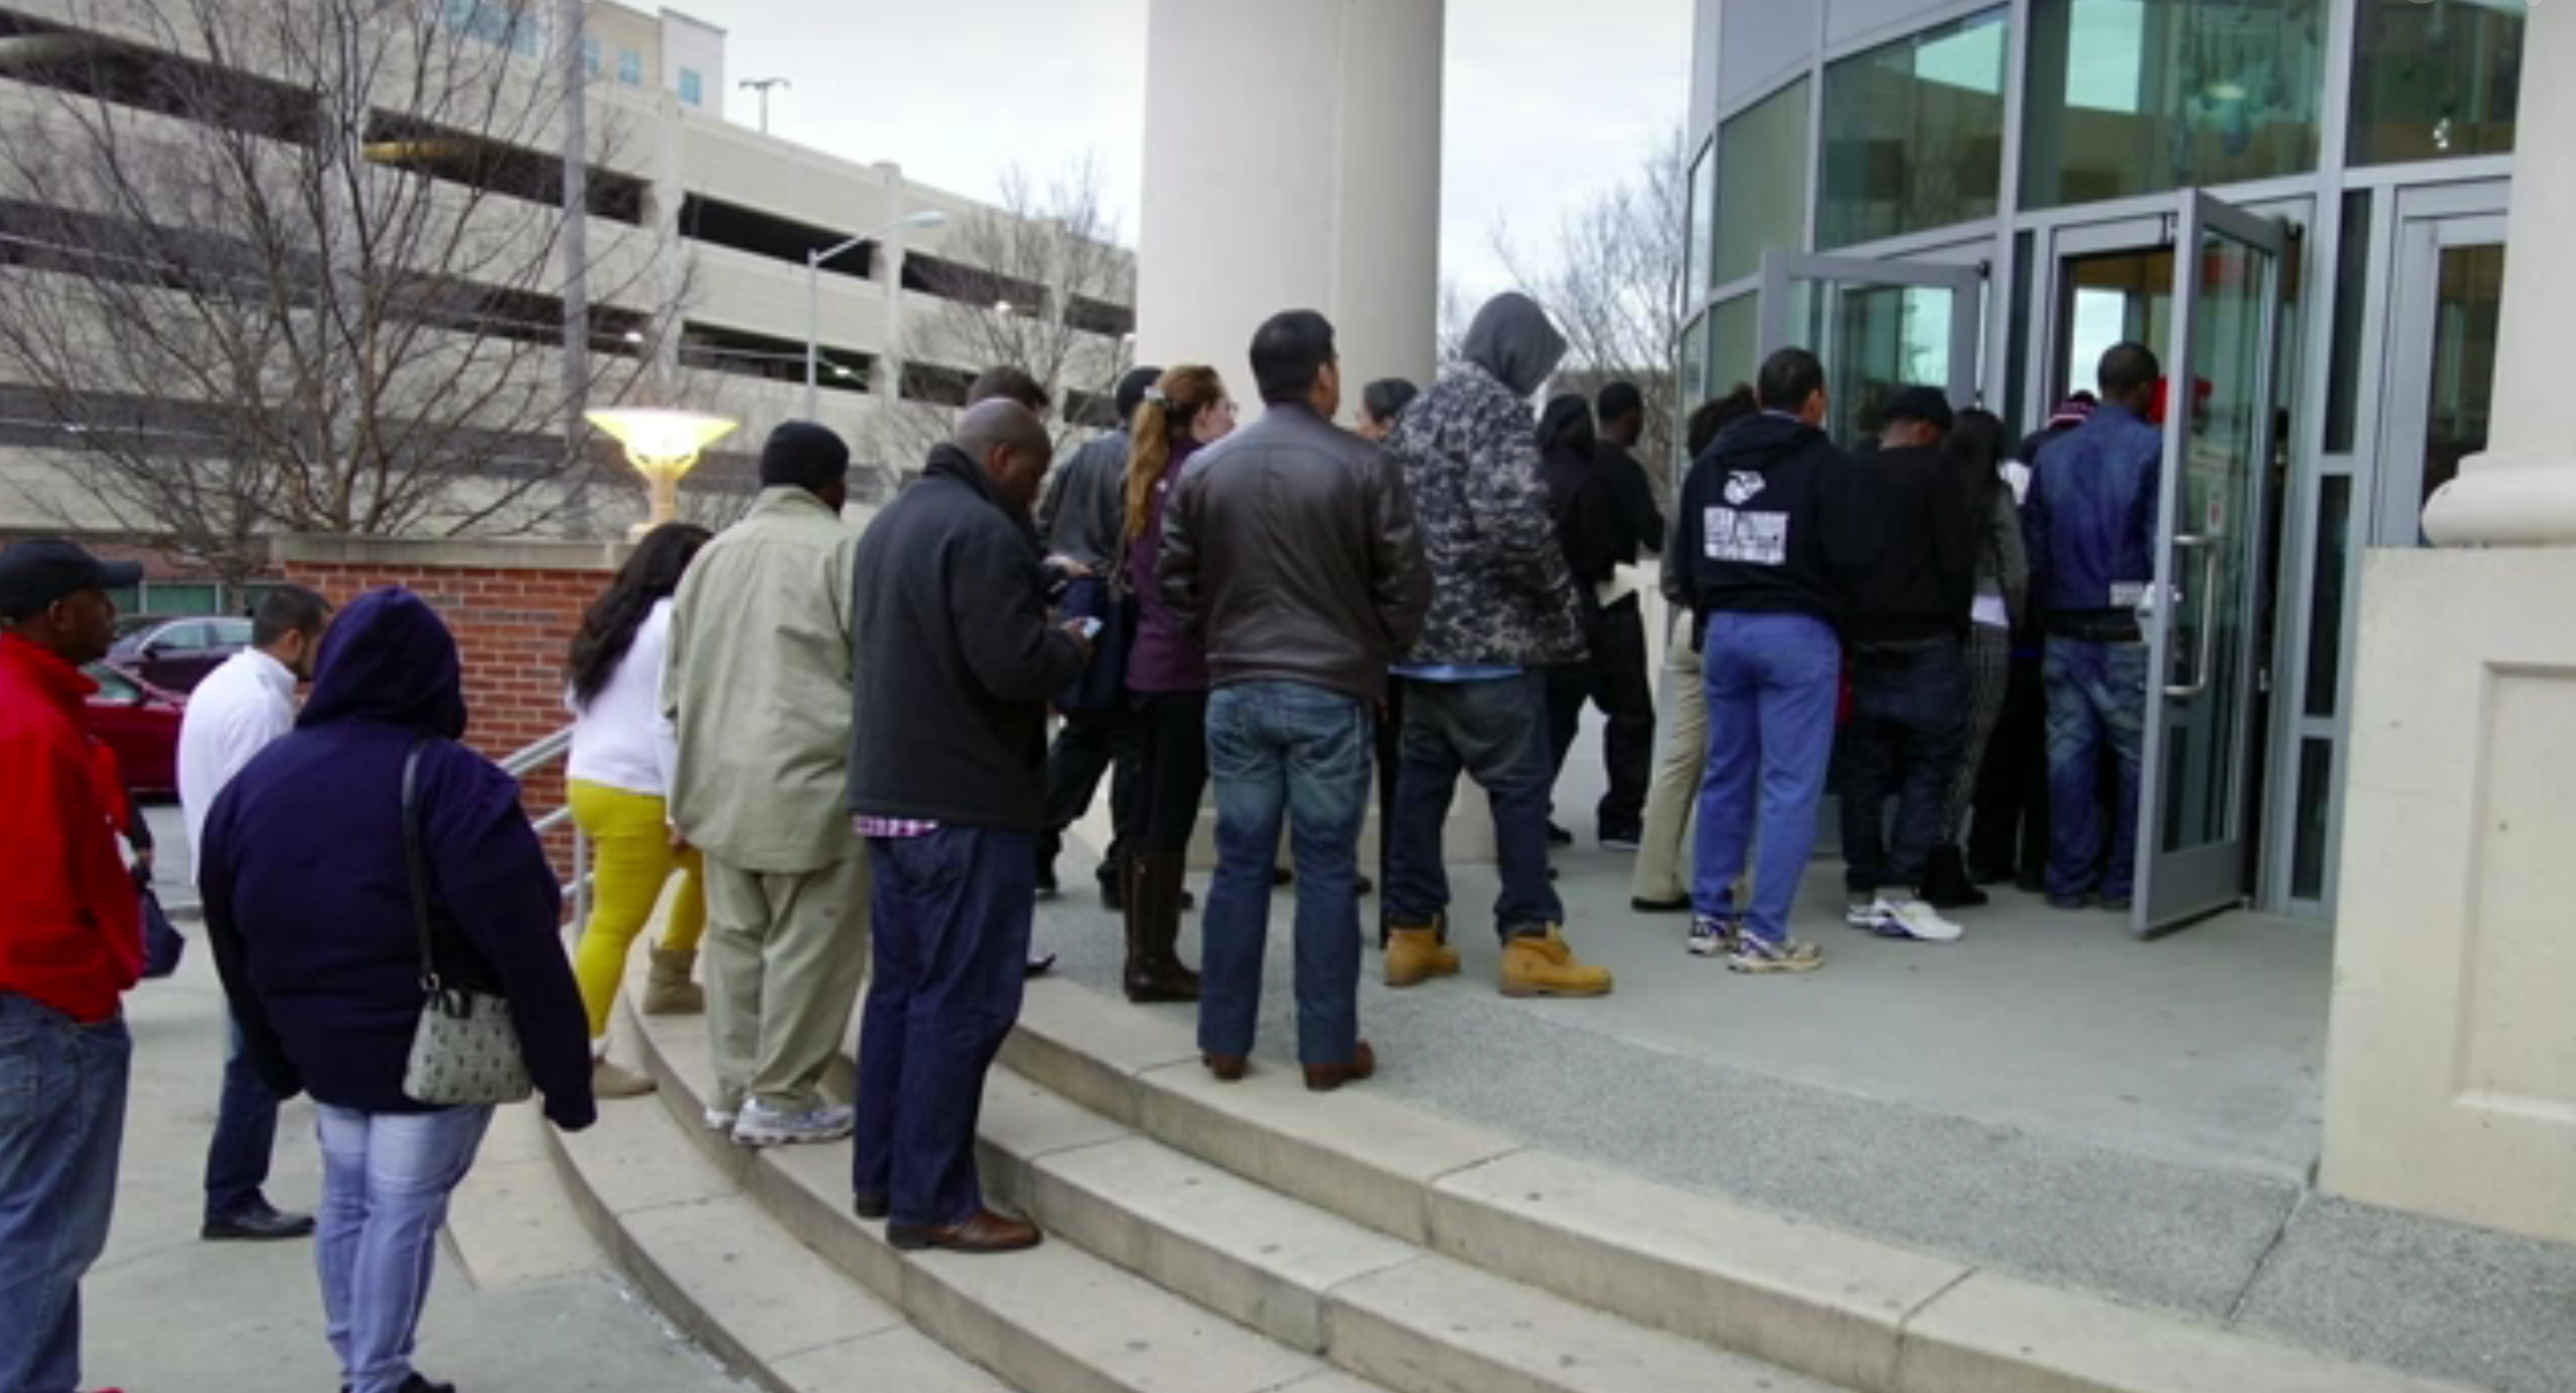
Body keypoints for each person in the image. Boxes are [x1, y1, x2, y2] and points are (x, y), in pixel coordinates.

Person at [200, 588, 592, 1393]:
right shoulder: (453, 782)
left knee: (349, 1199)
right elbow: (523, 936)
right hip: (428, 1042)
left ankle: (359, 1357)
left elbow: (227, 921)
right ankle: (375, 1376)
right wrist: (565, 1072)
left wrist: (272, 1052)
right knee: (404, 1209)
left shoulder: (262, 780)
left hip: (319, 1039)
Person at [846, 400, 1091, 1253]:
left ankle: (881, 1175)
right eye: (1035, 470)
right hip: (963, 808)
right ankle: (936, 1201)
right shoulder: (981, 534)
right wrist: (1072, 643)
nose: (1039, 488)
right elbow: (1013, 666)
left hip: (890, 798)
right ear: (1001, 456)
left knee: (902, 995)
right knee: (965, 1003)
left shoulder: (889, 526)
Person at [1163, 309, 1429, 1089]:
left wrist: (1223, 639)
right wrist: (1372, 655)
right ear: (1323, 374)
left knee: (1239, 866)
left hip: (1236, 686)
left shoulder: (1207, 469)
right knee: (1324, 868)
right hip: (1330, 690)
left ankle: (1224, 1040)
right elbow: (1408, 586)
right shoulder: (1365, 465)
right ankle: (1325, 1047)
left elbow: (1175, 584)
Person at [1381, 292, 1612, 998]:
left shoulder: (1418, 412)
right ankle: (1531, 940)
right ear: (1515, 352)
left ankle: (1411, 933)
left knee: (1421, 790)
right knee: (1518, 791)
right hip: (1495, 646)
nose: (1537, 381)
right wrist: (1559, 602)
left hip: (1419, 646)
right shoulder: (1499, 412)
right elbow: (1515, 524)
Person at [664, 421, 871, 1146]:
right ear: (833, 486)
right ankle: (781, 1097)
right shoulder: (845, 554)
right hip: (814, 785)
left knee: (736, 944)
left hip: (719, 787)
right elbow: (876, 678)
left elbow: (674, 689)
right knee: (809, 949)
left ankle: (730, 1089)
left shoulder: (709, 558)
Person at [0, 538, 145, 1393]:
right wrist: (90, 998)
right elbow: (27, 913)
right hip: (45, 1015)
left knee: (28, 1223)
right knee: (45, 1230)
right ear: (59, 614)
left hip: (38, 1009)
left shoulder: (32, 706)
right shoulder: (27, 726)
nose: (113, 613)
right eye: (100, 598)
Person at [1676, 348, 1871, 972]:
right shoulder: (1827, 465)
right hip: (1797, 633)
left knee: (1726, 774)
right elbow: (1853, 559)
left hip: (1725, 631)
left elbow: (1684, 557)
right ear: (1816, 400)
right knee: (1789, 788)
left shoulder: (1709, 463)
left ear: (1759, 397)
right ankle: (1764, 935)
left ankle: (1711, 918)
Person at [177, 583, 332, 1243]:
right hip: (251, 899)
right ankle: (233, 1194)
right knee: (255, 1055)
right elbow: (266, 817)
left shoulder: (223, 683)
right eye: (322, 640)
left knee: (253, 1048)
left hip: (225, 887)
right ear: (294, 638)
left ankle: (234, 1190)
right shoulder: (263, 706)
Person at [564, 523, 714, 1099]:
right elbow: (665, 721)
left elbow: (574, 698)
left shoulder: (612, 617)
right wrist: (681, 806)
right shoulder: (675, 622)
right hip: (642, 790)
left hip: (593, 779)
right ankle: (584, 1056)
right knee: (613, 926)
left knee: (710, 869)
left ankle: (673, 972)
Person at [2024, 344, 2163, 913]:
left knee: (2068, 757)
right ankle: (2124, 882)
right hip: (2125, 628)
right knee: (2135, 761)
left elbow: (2034, 545)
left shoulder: (2052, 454)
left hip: (2064, 626)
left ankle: (2067, 879)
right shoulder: (2155, 448)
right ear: (2147, 390)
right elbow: (2158, 545)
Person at [1835, 386, 1976, 942]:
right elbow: (1957, 560)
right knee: (1927, 767)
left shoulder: (1852, 472)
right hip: (1927, 638)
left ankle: (1860, 889)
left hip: (1866, 639)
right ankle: (1901, 888)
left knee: (1865, 771)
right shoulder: (1939, 475)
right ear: (1923, 427)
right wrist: (1955, 626)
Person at [1117, 365, 1236, 1003]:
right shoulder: (1199, 478)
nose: (1234, 421)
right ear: (1203, 415)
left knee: (1147, 814)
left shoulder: (1149, 474)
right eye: (1227, 408)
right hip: (1187, 670)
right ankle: (1151, 962)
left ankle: (1145, 953)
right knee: (1169, 815)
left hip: (1148, 666)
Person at [1035, 366, 1162, 904]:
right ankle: (1122, 869)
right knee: (1135, 744)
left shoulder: (1079, 458)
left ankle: (1036, 849)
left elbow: (1044, 529)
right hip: (1126, 614)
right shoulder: (1141, 463)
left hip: (1080, 608)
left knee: (1082, 735)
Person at [1631, 386, 1758, 912]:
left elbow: (1670, 577)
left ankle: (1653, 877)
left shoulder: (1691, 488)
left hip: (1691, 627)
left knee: (1679, 762)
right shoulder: (1760, 488)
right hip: (1736, 629)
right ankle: (1737, 882)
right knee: (1741, 763)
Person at [1972, 392, 2096, 889]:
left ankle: (1986, 856)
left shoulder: (2020, 471)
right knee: (2050, 758)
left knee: (1997, 754)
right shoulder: (2083, 481)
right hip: (2056, 633)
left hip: (2009, 637)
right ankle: (2037, 863)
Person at [1537, 385, 1665, 851]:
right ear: (1631, 416)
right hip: (1608, 607)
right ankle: (1621, 816)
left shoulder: (1541, 473)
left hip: (1554, 613)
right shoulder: (1618, 470)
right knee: (1631, 713)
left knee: (1556, 716)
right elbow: (1651, 532)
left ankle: (1534, 810)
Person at [1923, 410, 2028, 909]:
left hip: (1937, 627)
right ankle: (1944, 853)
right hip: (1988, 626)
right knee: (1971, 747)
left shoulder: (1933, 490)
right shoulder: (1996, 496)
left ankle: (1913, 847)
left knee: (1932, 743)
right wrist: (2020, 618)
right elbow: (2016, 571)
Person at [1357, 376, 1420, 923]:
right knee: (1409, 786)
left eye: (1364, 418)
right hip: (1412, 652)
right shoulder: (1432, 473)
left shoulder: (1370, 476)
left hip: (1375, 655)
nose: (1357, 428)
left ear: (1385, 423)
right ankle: (1405, 915)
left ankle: (1398, 915)